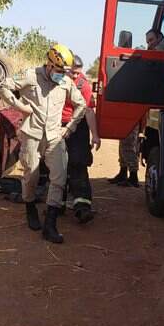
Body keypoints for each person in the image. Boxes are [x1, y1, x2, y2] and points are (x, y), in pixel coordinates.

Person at [0, 44, 86, 244]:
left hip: (55, 137)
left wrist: (69, 128)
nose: (62, 75)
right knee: (31, 176)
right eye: (59, 71)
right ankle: (30, 208)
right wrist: (20, 106)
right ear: (49, 64)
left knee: (59, 178)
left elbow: (81, 104)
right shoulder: (30, 75)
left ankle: (50, 224)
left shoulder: (65, 82)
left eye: (65, 72)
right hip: (32, 136)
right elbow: (2, 86)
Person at [62, 54, 101, 224]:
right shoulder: (55, 82)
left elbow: (89, 111)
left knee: (78, 163)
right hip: (58, 127)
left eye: (78, 73)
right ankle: (57, 205)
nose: (76, 76)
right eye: (72, 73)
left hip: (78, 127)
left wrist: (95, 135)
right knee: (58, 166)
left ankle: (82, 206)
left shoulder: (83, 85)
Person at [108, 123, 140, 187]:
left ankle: (133, 177)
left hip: (131, 121)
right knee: (123, 146)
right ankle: (123, 173)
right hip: (127, 121)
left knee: (128, 147)